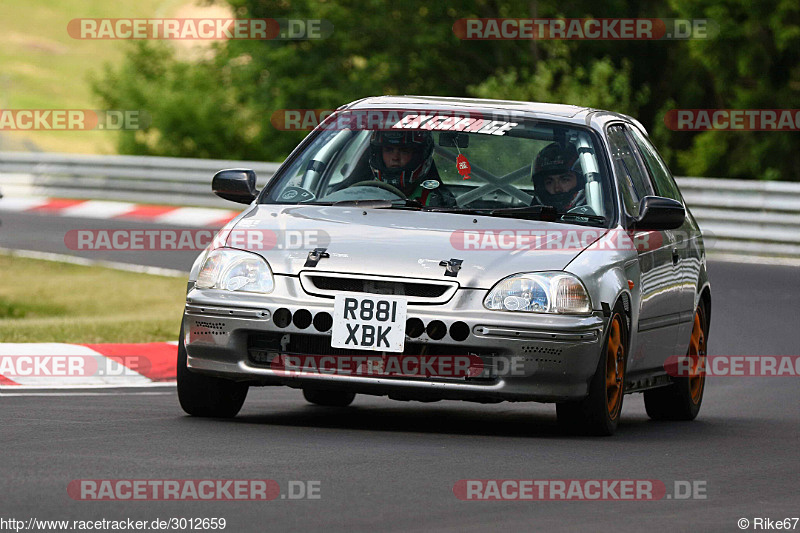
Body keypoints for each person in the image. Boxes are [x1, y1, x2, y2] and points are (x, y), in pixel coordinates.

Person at [367, 130, 455, 206]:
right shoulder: (364, 193)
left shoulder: (439, 200)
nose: (395, 157)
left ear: (417, 157)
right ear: (379, 155)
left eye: (404, 150)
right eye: (388, 150)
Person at [531, 142, 586, 212]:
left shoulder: (599, 213)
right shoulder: (531, 219)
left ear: (580, 181)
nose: (557, 188)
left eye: (565, 180)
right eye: (549, 182)